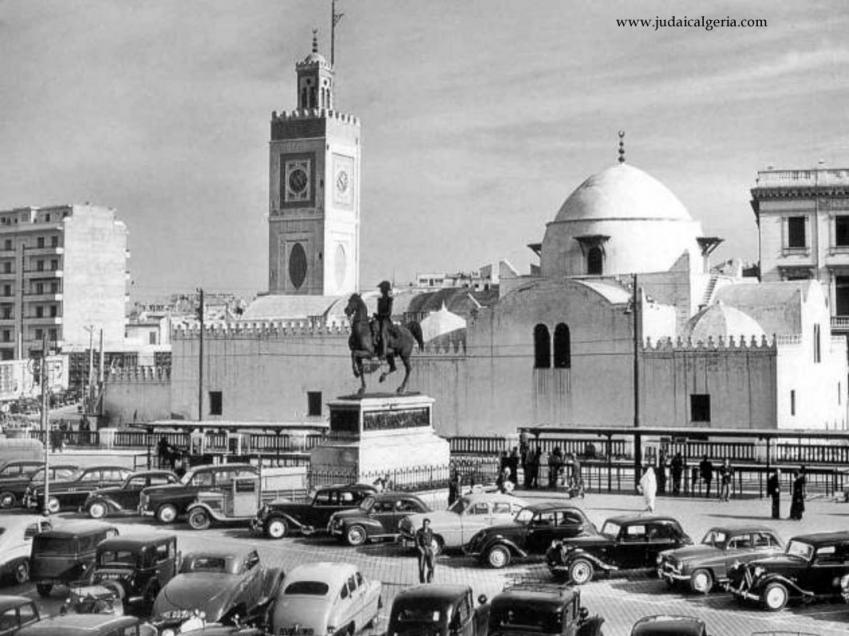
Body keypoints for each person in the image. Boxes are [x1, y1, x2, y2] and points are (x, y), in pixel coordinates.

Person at [376, 280, 393, 358]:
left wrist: (381, 315)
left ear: (385, 289)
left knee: (383, 333)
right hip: (379, 319)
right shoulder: (379, 300)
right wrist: (376, 315)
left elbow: (388, 312)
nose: (381, 290)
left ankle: (384, 352)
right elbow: (378, 311)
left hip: (385, 320)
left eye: (382, 288)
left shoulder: (389, 299)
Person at [415, 518, 435, 583]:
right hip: (422, 550)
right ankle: (422, 581)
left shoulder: (430, 531)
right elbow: (417, 543)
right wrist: (421, 549)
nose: (425, 525)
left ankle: (429, 579)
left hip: (429, 549)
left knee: (431, 566)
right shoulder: (419, 532)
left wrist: (431, 547)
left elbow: (431, 540)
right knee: (421, 568)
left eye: (426, 524)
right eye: (424, 523)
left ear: (428, 524)